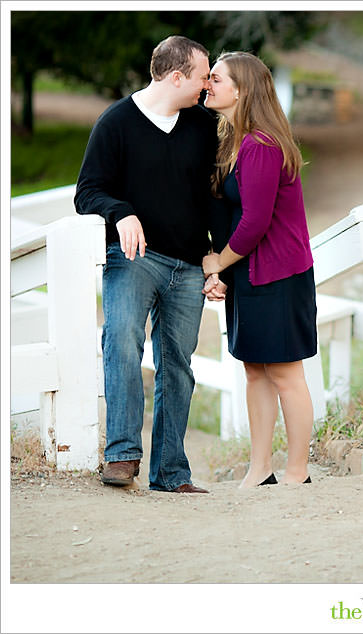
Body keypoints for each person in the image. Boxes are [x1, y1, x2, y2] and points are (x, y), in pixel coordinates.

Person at [74, 35, 219, 493]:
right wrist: (122, 212)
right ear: (177, 77)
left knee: (178, 365)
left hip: (190, 264)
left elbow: (214, 199)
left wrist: (217, 261)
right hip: (135, 258)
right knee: (120, 341)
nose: (207, 84)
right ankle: (121, 456)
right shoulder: (116, 122)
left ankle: (171, 474)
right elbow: (87, 192)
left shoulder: (202, 125)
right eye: (202, 76)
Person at [202, 51, 317, 488]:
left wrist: (218, 262)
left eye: (216, 78)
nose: (207, 85)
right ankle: (260, 467)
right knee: (254, 369)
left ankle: (297, 472)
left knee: (286, 372)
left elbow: (255, 221)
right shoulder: (234, 141)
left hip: (279, 275)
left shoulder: (261, 145)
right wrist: (221, 270)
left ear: (242, 88)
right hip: (249, 272)